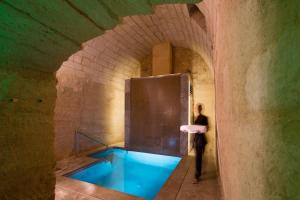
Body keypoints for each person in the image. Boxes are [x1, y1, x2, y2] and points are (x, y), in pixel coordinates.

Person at [193, 104, 208, 183]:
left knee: (199, 158)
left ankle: (197, 176)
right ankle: (198, 174)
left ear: (201, 109)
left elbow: (207, 129)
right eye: (196, 108)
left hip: (201, 140)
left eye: (199, 108)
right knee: (198, 158)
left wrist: (201, 130)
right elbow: (193, 129)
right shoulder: (196, 118)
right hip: (196, 140)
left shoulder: (204, 118)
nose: (197, 109)